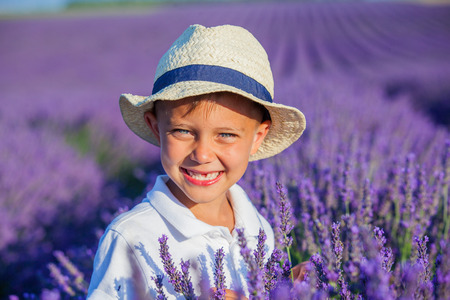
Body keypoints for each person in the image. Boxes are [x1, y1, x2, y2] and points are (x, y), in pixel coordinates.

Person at [87, 24, 306, 299]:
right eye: (183, 131)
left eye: (225, 135)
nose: (202, 155)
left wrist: (284, 288)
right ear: (156, 128)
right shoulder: (130, 238)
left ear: (257, 138)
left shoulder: (258, 228)